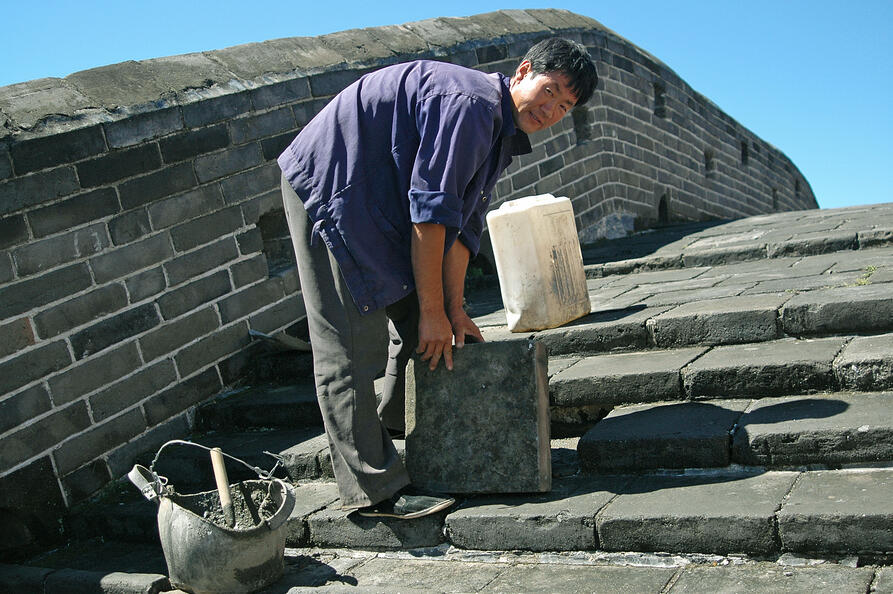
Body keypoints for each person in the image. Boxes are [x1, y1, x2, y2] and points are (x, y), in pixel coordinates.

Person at [278, 37, 598, 519]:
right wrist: (432, 310)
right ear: (523, 71)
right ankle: (375, 491)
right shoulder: (471, 106)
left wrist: (453, 309)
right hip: (332, 186)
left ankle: (396, 421)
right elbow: (430, 214)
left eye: (565, 106)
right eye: (549, 90)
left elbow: (462, 230)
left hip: (382, 200)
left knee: (428, 328)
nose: (551, 110)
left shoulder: (501, 131)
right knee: (350, 346)